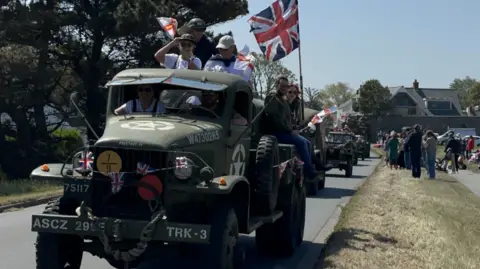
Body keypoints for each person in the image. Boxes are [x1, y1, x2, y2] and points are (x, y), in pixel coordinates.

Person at [263, 76, 318, 180]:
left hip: (285, 131)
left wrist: (294, 128)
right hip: (276, 132)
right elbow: (275, 119)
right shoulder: (272, 98)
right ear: (276, 85)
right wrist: (290, 131)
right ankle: (309, 171)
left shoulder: (283, 100)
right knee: (302, 143)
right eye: (282, 85)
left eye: (286, 86)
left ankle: (312, 168)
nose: (285, 88)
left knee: (307, 142)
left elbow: (287, 119)